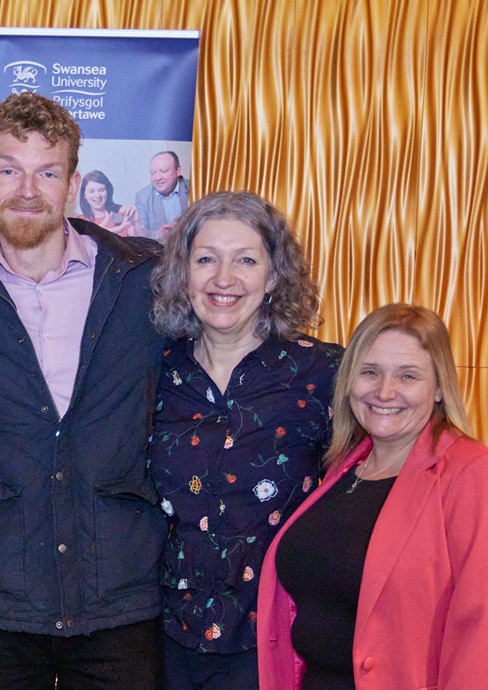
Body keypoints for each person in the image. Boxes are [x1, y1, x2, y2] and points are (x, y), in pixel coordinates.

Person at [0, 91, 168, 688]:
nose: (27, 189)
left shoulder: (145, 282)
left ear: (71, 184)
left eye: (47, 172)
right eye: (9, 169)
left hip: (120, 605)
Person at [258, 304, 488, 690]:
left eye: (408, 376)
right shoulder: (344, 469)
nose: (384, 392)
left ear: (439, 388)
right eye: (369, 372)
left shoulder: (478, 476)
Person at [147, 192, 342, 689]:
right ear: (182, 273)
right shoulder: (153, 373)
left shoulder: (324, 374)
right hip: (161, 640)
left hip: (276, 641)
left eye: (246, 260)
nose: (224, 279)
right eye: (206, 259)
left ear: (273, 276)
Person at [135, 151, 190, 239]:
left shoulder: (194, 190)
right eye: (153, 173)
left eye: (163, 171)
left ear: (178, 170)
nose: (157, 178)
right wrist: (159, 234)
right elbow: (141, 234)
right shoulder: (142, 197)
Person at [76, 170, 141, 237]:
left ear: (108, 191)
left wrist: (137, 222)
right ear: (84, 195)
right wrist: (119, 228)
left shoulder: (120, 215)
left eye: (102, 190)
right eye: (91, 191)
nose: (97, 195)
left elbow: (141, 239)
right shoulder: (80, 221)